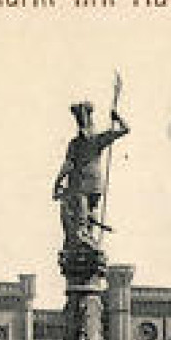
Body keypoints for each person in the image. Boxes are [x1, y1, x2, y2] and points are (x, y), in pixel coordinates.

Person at [53, 100, 129, 250]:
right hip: (91, 186)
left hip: (81, 186)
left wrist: (57, 183)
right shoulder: (92, 140)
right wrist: (117, 118)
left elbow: (68, 165)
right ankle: (86, 242)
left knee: (82, 221)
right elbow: (125, 129)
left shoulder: (83, 142)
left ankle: (84, 240)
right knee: (87, 220)